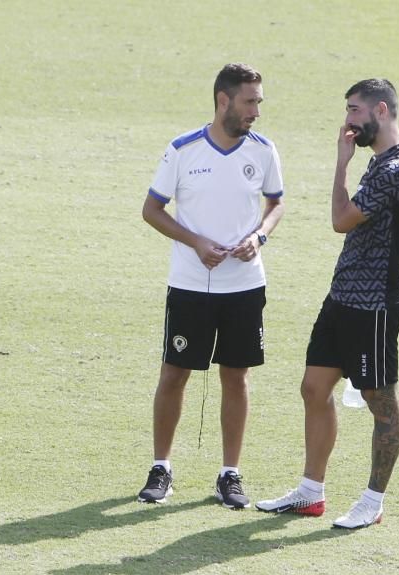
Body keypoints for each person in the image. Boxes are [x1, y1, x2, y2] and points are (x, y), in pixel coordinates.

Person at [256, 79, 399, 529]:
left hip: (374, 306)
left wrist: (340, 165)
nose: (348, 120)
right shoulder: (381, 163)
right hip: (343, 298)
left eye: (354, 110)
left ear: (381, 111)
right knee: (313, 389)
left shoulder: (396, 170)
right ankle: (311, 493)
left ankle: (372, 501)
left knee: (379, 401)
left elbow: (340, 220)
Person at [136, 63, 285, 509]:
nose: (256, 110)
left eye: (258, 101)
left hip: (244, 286)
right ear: (224, 100)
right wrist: (196, 242)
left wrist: (259, 237)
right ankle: (161, 467)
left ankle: (229, 474)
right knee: (175, 373)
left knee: (235, 376)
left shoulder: (263, 150)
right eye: (250, 101)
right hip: (189, 285)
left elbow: (276, 203)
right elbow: (152, 209)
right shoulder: (182, 150)